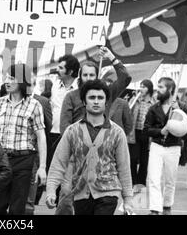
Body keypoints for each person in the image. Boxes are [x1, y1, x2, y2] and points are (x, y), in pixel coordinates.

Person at [56, 46, 131, 215]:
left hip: (102, 158)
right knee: (66, 197)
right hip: (75, 156)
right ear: (80, 76)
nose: (88, 78)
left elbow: (125, 77)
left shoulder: (106, 93)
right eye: (85, 75)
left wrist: (112, 57)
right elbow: (64, 126)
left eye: (92, 75)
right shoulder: (71, 96)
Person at [0, 63, 47, 215]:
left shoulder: (34, 105)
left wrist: (42, 167)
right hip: (1, 159)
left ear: (22, 81)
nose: (7, 81)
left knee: (18, 208)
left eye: (12, 78)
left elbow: (41, 137)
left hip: (24, 160)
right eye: (6, 77)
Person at [144, 77, 187, 215]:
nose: (158, 89)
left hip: (174, 147)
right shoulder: (153, 108)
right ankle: (155, 209)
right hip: (157, 146)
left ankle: (167, 206)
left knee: (170, 180)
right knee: (153, 178)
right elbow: (146, 129)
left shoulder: (181, 106)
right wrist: (160, 131)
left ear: (170, 90)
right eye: (158, 86)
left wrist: (180, 112)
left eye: (161, 87)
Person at [26, 73, 53, 215]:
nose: (27, 87)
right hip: (11, 156)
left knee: (29, 200)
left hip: (33, 154)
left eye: (30, 84)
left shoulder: (42, 101)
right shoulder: (4, 101)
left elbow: (47, 128)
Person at [128, 79, 155, 187]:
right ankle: (132, 181)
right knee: (133, 158)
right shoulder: (135, 100)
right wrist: (133, 101)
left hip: (147, 134)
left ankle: (141, 182)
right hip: (135, 133)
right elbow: (128, 111)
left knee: (144, 160)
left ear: (149, 88)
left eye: (144, 86)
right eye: (140, 86)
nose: (141, 88)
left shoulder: (153, 103)